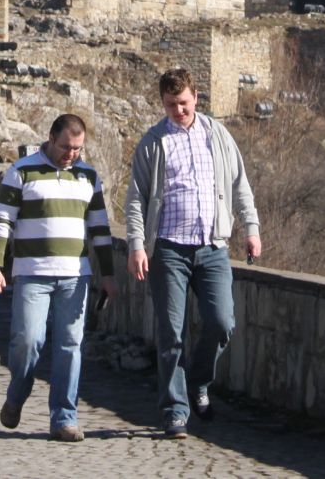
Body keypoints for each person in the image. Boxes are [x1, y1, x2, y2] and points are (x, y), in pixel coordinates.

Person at [125, 68, 261, 439]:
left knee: (222, 322)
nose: (178, 111)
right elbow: (136, 198)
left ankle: (198, 382)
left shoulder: (216, 135)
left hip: (212, 247)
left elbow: (239, 184)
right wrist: (137, 245)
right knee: (171, 332)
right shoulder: (154, 142)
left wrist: (251, 228)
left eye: (183, 103)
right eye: (171, 105)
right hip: (168, 248)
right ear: (163, 104)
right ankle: (174, 411)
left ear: (196, 97)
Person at [0, 114, 116, 443]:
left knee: (70, 345)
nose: (71, 154)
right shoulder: (22, 171)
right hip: (32, 274)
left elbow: (100, 230)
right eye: (66, 147)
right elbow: (3, 221)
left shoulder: (89, 177)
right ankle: (18, 392)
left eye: (78, 148)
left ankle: (64, 417)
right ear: (50, 139)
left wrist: (108, 274)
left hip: (75, 276)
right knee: (27, 341)